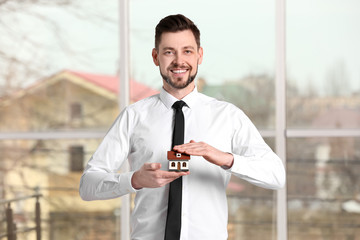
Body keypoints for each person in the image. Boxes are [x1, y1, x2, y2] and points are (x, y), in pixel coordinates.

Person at [79, 14, 285, 240]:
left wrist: (225, 158)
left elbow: (276, 175)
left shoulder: (228, 117)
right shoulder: (133, 116)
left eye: (187, 51)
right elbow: (88, 185)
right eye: (169, 52)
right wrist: (134, 179)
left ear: (200, 55)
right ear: (156, 57)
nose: (179, 61)